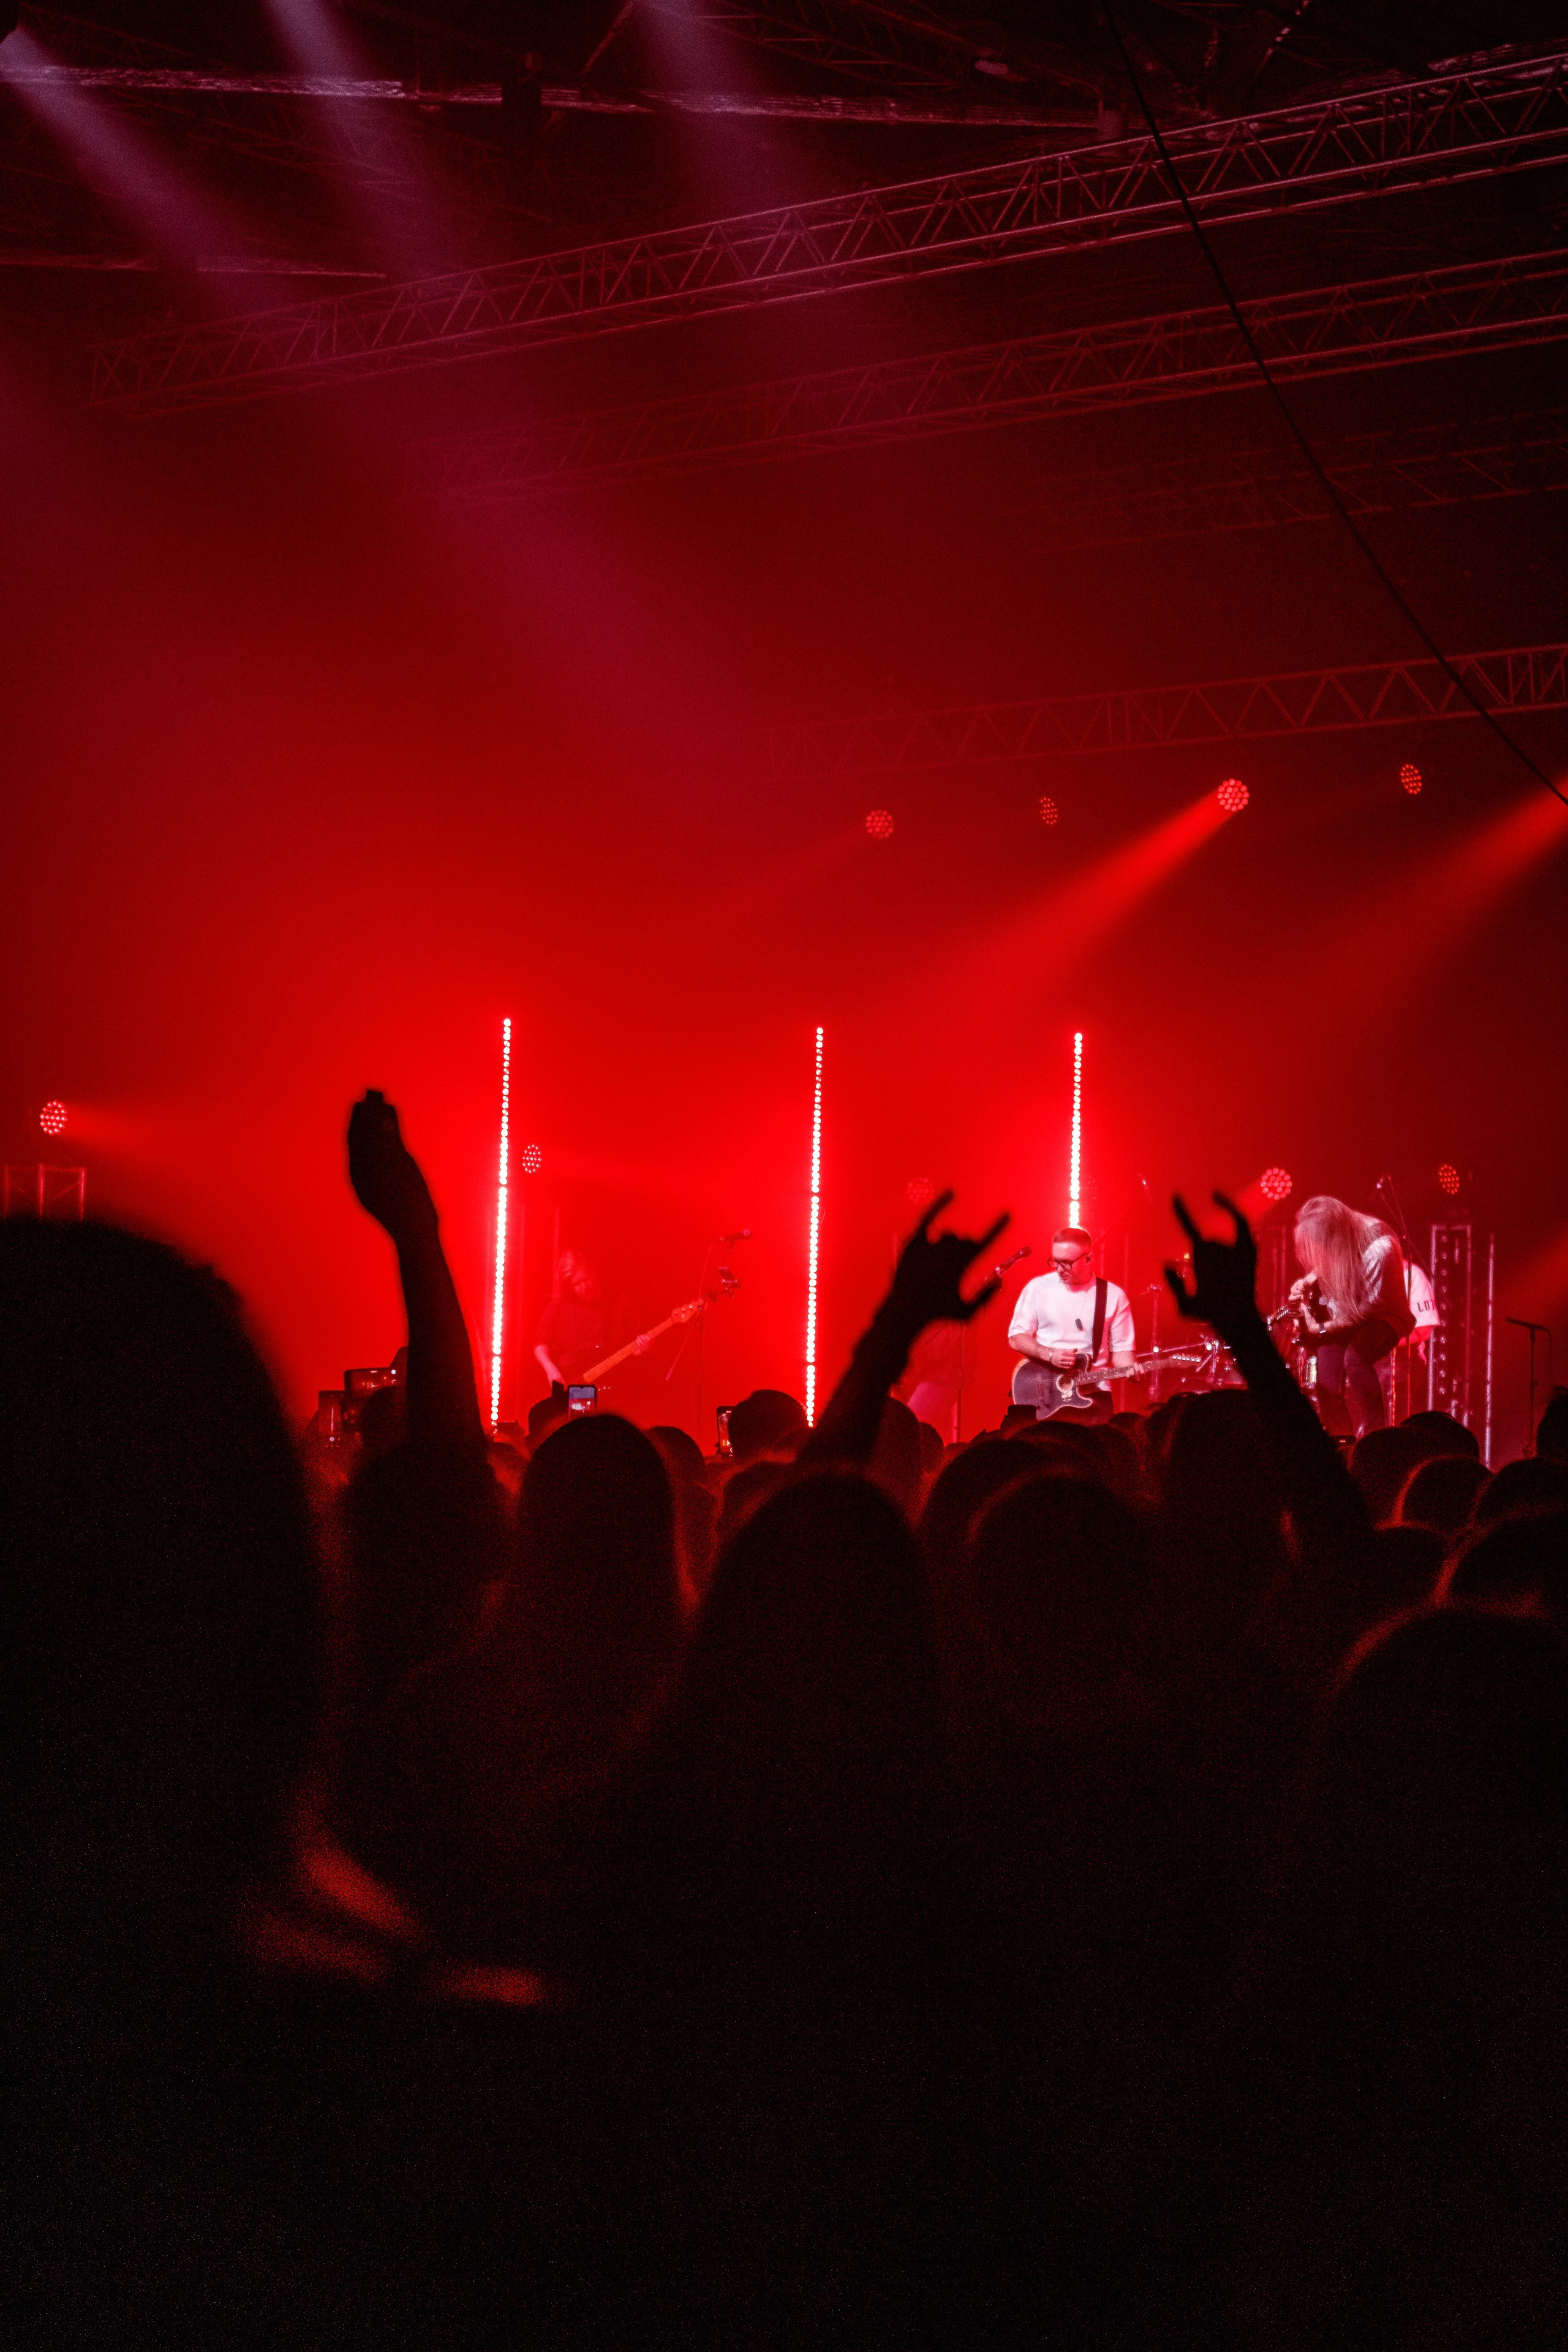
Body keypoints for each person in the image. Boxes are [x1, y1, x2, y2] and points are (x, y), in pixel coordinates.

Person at [1289, 1194, 1413, 1440]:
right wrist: (1307, 1282)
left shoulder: (1380, 1248)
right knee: (1325, 1384)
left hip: (1383, 1315)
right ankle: (1341, 1441)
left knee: (1355, 1359)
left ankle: (1375, 1436)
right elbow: (1330, 1258)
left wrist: (1318, 1329)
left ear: (1335, 1236)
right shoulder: (1338, 1235)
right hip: (1346, 1311)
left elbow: (1365, 1312)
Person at [1007, 1226, 1140, 1421]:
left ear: (1089, 1259)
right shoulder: (1038, 1288)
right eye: (1055, 1261)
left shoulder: (1113, 1296)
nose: (1059, 1269)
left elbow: (1122, 1353)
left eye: (1067, 1263)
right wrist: (1049, 1354)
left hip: (1094, 1393)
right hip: (1047, 1396)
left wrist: (1131, 1370)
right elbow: (1016, 1338)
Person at [533, 1252, 609, 1389]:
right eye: (577, 1284)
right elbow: (540, 1344)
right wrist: (551, 1370)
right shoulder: (559, 1306)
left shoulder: (617, 1303)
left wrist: (643, 1349)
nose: (584, 1287)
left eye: (585, 1279)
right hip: (574, 1382)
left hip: (611, 1381)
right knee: (581, 1411)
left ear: (593, 1272)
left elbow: (635, 1341)